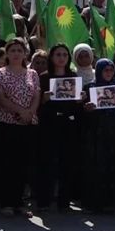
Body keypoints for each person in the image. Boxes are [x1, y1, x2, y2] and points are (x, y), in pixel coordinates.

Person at [0, 38, 39, 217]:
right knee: (7, 164)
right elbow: (1, 98)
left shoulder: (32, 74)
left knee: (23, 165)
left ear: (25, 53)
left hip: (28, 123)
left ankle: (19, 203)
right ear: (7, 54)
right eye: (13, 51)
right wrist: (20, 111)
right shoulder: (0, 73)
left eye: (20, 50)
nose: (16, 54)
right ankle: (6, 203)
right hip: (7, 123)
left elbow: (36, 94)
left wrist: (29, 113)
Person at [35, 44, 82, 212]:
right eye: (58, 54)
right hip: (49, 125)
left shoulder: (73, 76)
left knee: (67, 163)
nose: (61, 58)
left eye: (64, 54)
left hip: (68, 125)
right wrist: (44, 99)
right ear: (52, 58)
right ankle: (44, 200)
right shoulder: (44, 78)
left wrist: (79, 101)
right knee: (47, 163)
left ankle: (64, 201)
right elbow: (36, 104)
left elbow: (77, 107)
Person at [79, 59, 115, 213]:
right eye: (105, 70)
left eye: (110, 70)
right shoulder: (90, 88)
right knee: (96, 167)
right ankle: (95, 203)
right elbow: (82, 114)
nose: (108, 73)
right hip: (96, 134)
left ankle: (113, 202)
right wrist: (86, 108)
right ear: (99, 71)